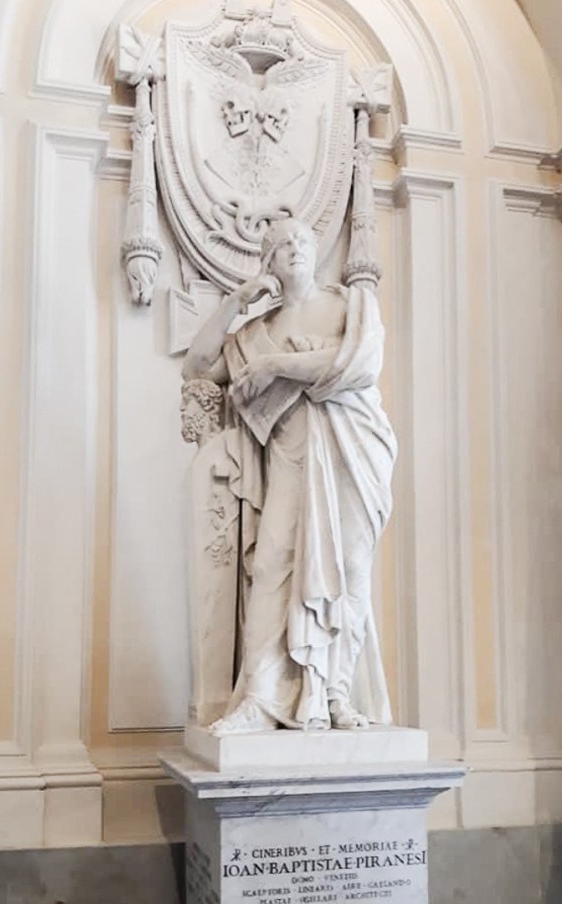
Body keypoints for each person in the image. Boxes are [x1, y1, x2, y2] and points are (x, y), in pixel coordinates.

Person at [182, 218, 397, 731]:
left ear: (315, 250)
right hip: (291, 461)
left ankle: (337, 694)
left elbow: (360, 363)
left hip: (354, 454)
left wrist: (278, 366)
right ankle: (260, 698)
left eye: (301, 239)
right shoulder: (255, 334)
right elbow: (198, 367)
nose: (294, 246)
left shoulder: (351, 304)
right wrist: (236, 301)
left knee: (350, 569)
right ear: (269, 263)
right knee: (272, 565)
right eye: (281, 244)